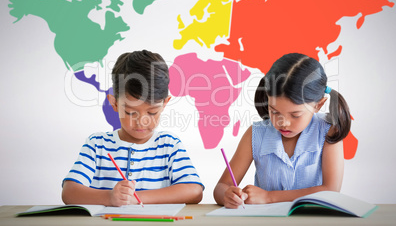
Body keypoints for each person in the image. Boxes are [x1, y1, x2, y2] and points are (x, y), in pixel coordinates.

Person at [62, 50, 204, 206]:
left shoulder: (169, 145)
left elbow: (194, 191)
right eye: (130, 112)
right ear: (114, 103)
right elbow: (69, 193)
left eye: (152, 112)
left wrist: (137, 198)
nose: (141, 121)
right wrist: (110, 197)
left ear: (165, 103)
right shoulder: (97, 144)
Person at [213, 53, 351, 208]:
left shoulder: (329, 131)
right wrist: (227, 195)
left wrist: (268, 197)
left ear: (318, 105)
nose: (283, 123)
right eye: (274, 111)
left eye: (295, 115)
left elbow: (331, 191)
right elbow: (220, 187)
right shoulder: (255, 134)